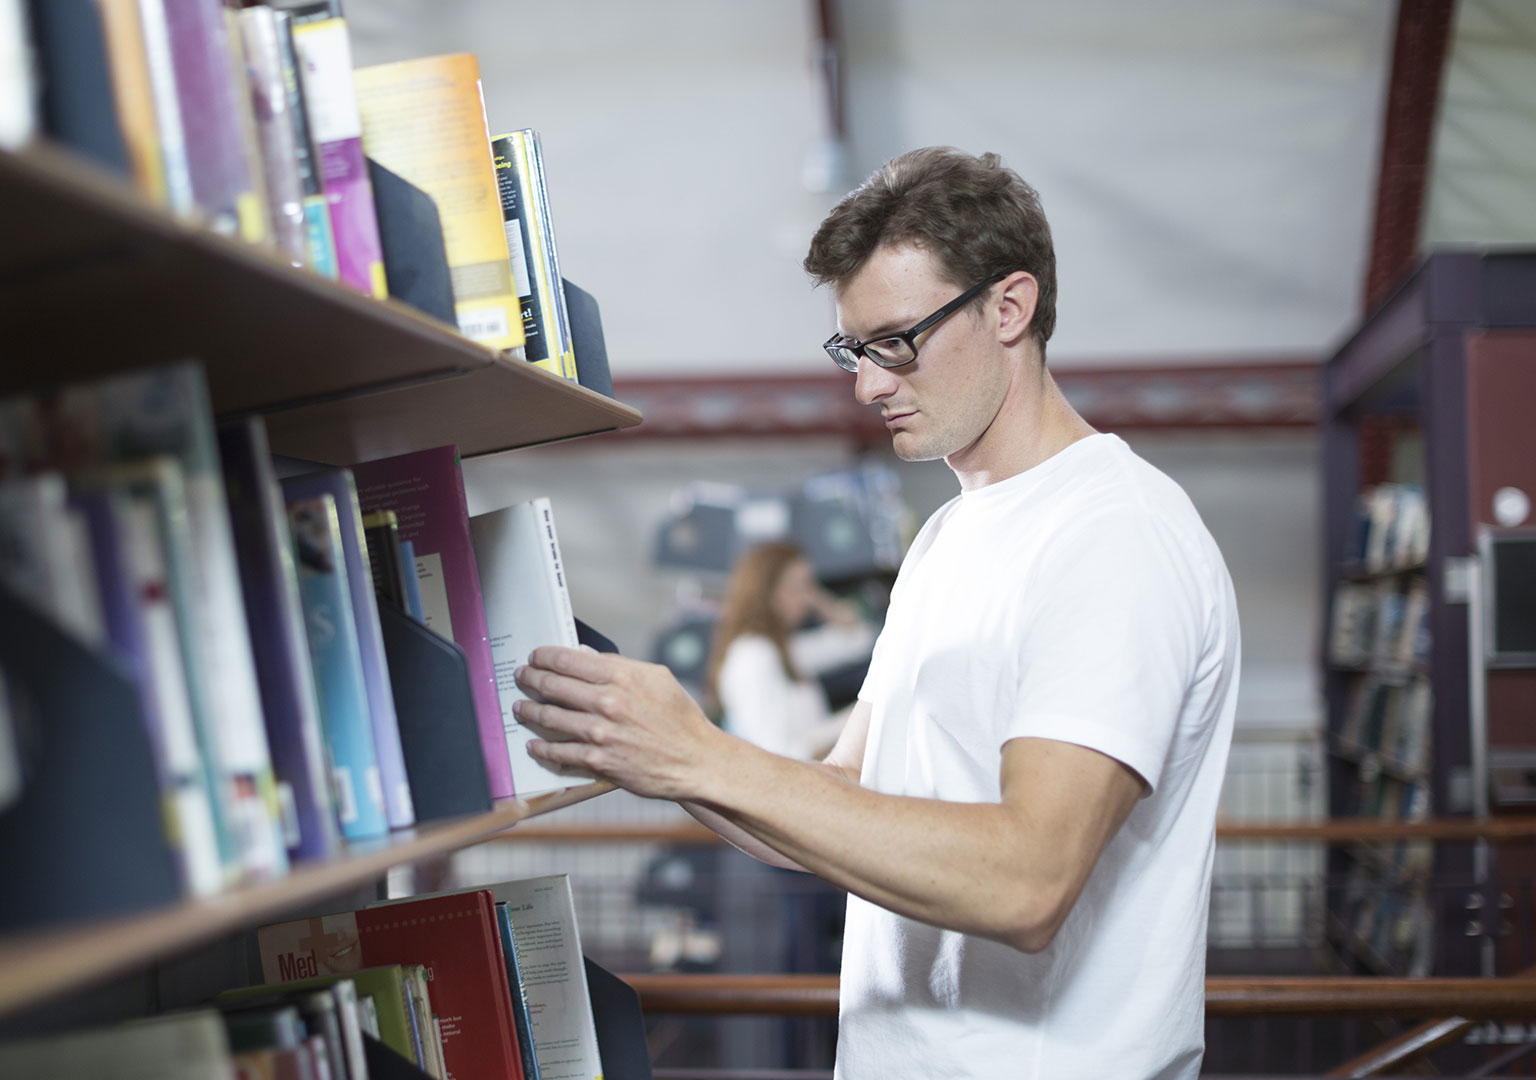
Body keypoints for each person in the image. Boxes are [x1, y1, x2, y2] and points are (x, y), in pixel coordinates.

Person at [512, 146, 1238, 1079]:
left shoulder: (1114, 536)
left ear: (1009, 309)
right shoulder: (946, 539)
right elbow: (842, 804)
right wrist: (653, 751)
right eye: (854, 349)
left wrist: (702, 754)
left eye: (897, 340)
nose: (868, 385)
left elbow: (1030, 880)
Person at [706, 542, 872, 761]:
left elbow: (859, 639)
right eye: (797, 587)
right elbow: (780, 752)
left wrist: (817, 600)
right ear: (767, 592)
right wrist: (861, 716)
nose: (805, 598)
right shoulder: (753, 655)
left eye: (809, 587)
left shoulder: (780, 648)